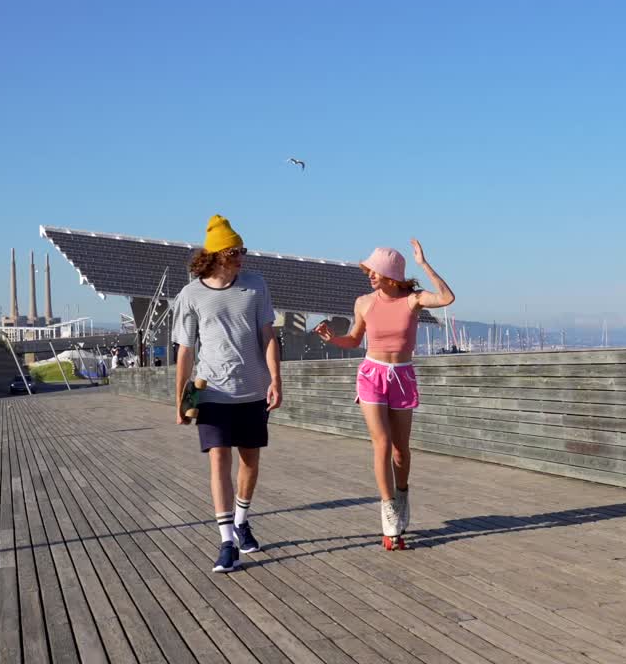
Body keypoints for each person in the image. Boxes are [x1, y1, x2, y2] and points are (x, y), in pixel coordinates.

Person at [315, 239, 454, 550]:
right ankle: (389, 512)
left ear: (391, 274)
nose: (369, 275)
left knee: (400, 451)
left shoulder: (412, 300)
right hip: (372, 375)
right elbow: (354, 340)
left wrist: (423, 264)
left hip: (402, 377)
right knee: (381, 443)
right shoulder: (364, 302)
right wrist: (333, 338)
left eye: (374, 270)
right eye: (368, 270)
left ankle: (402, 494)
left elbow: (446, 297)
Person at [172, 214, 282, 573]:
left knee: (250, 461)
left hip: (252, 390)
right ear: (217, 254)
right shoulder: (190, 294)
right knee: (219, 458)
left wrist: (276, 379)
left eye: (242, 250)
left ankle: (241, 519)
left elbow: (268, 335)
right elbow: (185, 350)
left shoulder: (255, 285)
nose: (241, 257)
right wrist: (181, 400)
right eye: (235, 251)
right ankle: (226, 541)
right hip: (212, 392)